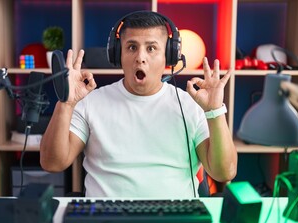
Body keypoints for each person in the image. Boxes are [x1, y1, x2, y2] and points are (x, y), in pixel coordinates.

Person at [40, 11, 237, 198]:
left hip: (176, 219)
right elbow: (52, 163)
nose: (140, 57)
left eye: (151, 48)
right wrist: (65, 103)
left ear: (168, 56)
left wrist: (214, 111)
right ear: (118, 55)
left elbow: (224, 173)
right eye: (132, 47)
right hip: (105, 217)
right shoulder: (91, 102)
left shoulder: (190, 105)